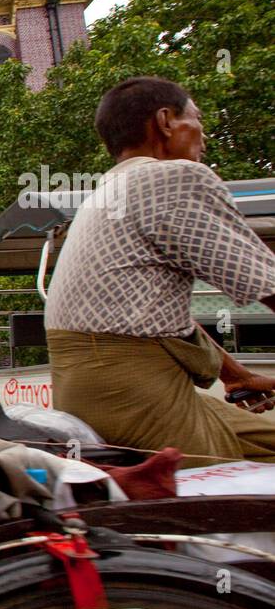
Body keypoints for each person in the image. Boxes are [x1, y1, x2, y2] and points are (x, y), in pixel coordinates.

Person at [45, 76, 275, 463]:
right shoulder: (175, 178)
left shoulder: (103, 193)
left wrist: (234, 374)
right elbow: (265, 283)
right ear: (166, 122)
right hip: (137, 398)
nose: (203, 137)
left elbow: (153, 316)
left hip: (92, 393)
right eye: (198, 120)